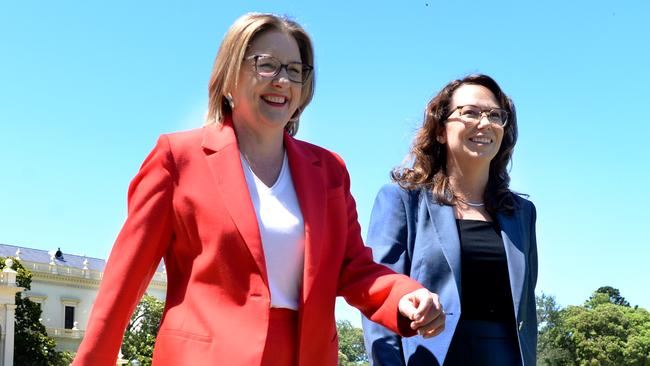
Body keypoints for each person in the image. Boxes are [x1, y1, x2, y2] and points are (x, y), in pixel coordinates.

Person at [72, 13, 445, 366]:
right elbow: (125, 280)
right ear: (230, 75)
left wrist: (403, 295)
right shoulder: (177, 157)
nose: (282, 80)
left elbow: (355, 269)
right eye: (266, 64)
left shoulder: (330, 170)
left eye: (295, 70)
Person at [362, 74, 537, 366]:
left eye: (495, 115)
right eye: (470, 112)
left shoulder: (522, 214)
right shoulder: (402, 200)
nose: (484, 123)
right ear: (440, 130)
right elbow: (379, 297)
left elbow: (525, 311)